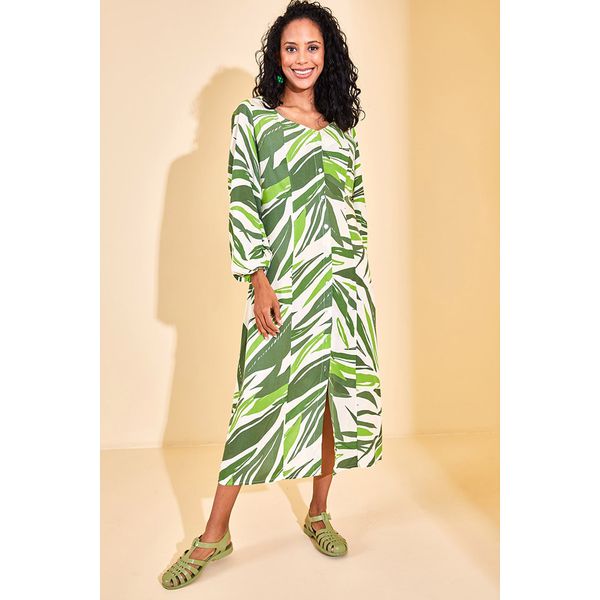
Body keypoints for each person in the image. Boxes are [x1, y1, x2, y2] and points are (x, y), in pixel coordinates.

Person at [161, 0, 382, 589]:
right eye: (291, 48)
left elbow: (356, 207)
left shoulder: (342, 129)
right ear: (276, 56)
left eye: (313, 47)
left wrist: (357, 285)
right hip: (283, 286)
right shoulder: (253, 120)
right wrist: (258, 279)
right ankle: (214, 534)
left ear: (328, 55)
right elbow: (244, 199)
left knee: (332, 400)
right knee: (255, 402)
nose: (302, 58)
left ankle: (319, 513)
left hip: (343, 290)